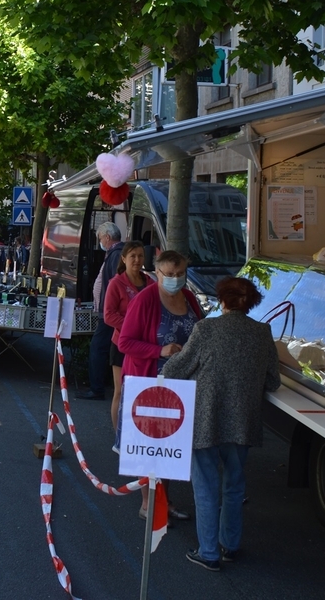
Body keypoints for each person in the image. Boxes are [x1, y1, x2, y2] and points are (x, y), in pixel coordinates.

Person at [162, 276, 281, 571]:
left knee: (205, 485)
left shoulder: (207, 329)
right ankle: (231, 544)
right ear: (250, 303)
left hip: (207, 419)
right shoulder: (262, 332)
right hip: (243, 421)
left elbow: (176, 368)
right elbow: (273, 381)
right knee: (235, 486)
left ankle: (209, 552)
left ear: (223, 301)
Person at [118, 249, 202, 521]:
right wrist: (160, 350)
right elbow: (125, 342)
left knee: (171, 445)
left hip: (182, 386)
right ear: (157, 274)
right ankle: (148, 503)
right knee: (150, 446)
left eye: (180, 274)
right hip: (150, 384)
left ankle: (164, 500)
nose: (175, 279)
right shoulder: (144, 301)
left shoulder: (188, 297)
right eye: (170, 274)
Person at [103, 241, 152, 453]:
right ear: (124, 258)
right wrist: (131, 326)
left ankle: (139, 435)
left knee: (142, 393)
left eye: (140, 256)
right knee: (121, 392)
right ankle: (119, 438)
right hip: (122, 344)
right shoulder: (117, 283)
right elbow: (108, 315)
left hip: (145, 346)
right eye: (132, 256)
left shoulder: (150, 282)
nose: (137, 260)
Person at [78, 222, 123, 401]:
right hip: (109, 311)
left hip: (110, 313)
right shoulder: (115, 253)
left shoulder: (116, 254)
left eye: (99, 238)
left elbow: (114, 285)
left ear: (107, 237)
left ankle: (97, 388)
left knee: (99, 347)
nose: (100, 242)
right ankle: (101, 385)